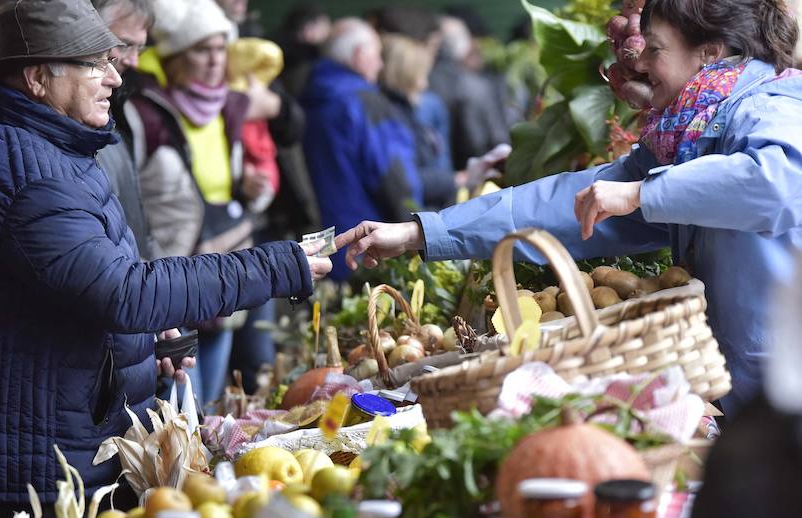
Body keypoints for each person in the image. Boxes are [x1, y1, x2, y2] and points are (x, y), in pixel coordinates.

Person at [0, 1, 330, 518]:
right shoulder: (30, 173)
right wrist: (277, 263)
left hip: (51, 447)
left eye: (113, 61)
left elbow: (80, 292)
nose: (116, 76)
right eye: (94, 65)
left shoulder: (56, 149)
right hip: (21, 473)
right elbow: (124, 293)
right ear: (37, 78)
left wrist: (143, 341)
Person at [335, 0, 802, 419]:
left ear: (709, 53)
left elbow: (776, 183)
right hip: (745, 395)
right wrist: (422, 233)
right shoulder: (683, 135)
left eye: (655, 49)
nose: (641, 63)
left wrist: (642, 194)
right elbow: (557, 205)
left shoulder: (770, 103)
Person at [131, 0, 279, 403]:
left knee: (210, 400)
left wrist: (247, 185)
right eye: (201, 49)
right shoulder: (150, 113)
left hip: (224, 264)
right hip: (171, 270)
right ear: (177, 56)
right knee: (177, 404)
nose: (215, 60)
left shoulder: (226, 109)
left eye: (220, 49)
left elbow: (222, 179)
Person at [300, 17, 422, 281]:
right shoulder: (363, 102)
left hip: (320, 242)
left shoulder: (310, 94)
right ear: (358, 55)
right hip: (364, 245)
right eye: (377, 55)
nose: (380, 65)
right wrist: (416, 230)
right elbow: (394, 177)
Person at [91, 0, 163, 262]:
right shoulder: (79, 122)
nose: (133, 61)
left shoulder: (114, 109)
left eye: (140, 48)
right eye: (125, 44)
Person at [380, 34, 462, 210]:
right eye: (421, 75)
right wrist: (452, 180)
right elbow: (405, 176)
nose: (424, 84)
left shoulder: (402, 111)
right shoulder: (394, 115)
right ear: (407, 75)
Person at [429, 15, 512, 170]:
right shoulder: (477, 86)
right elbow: (497, 140)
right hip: (474, 173)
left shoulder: (422, 83)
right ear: (466, 44)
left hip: (440, 177)